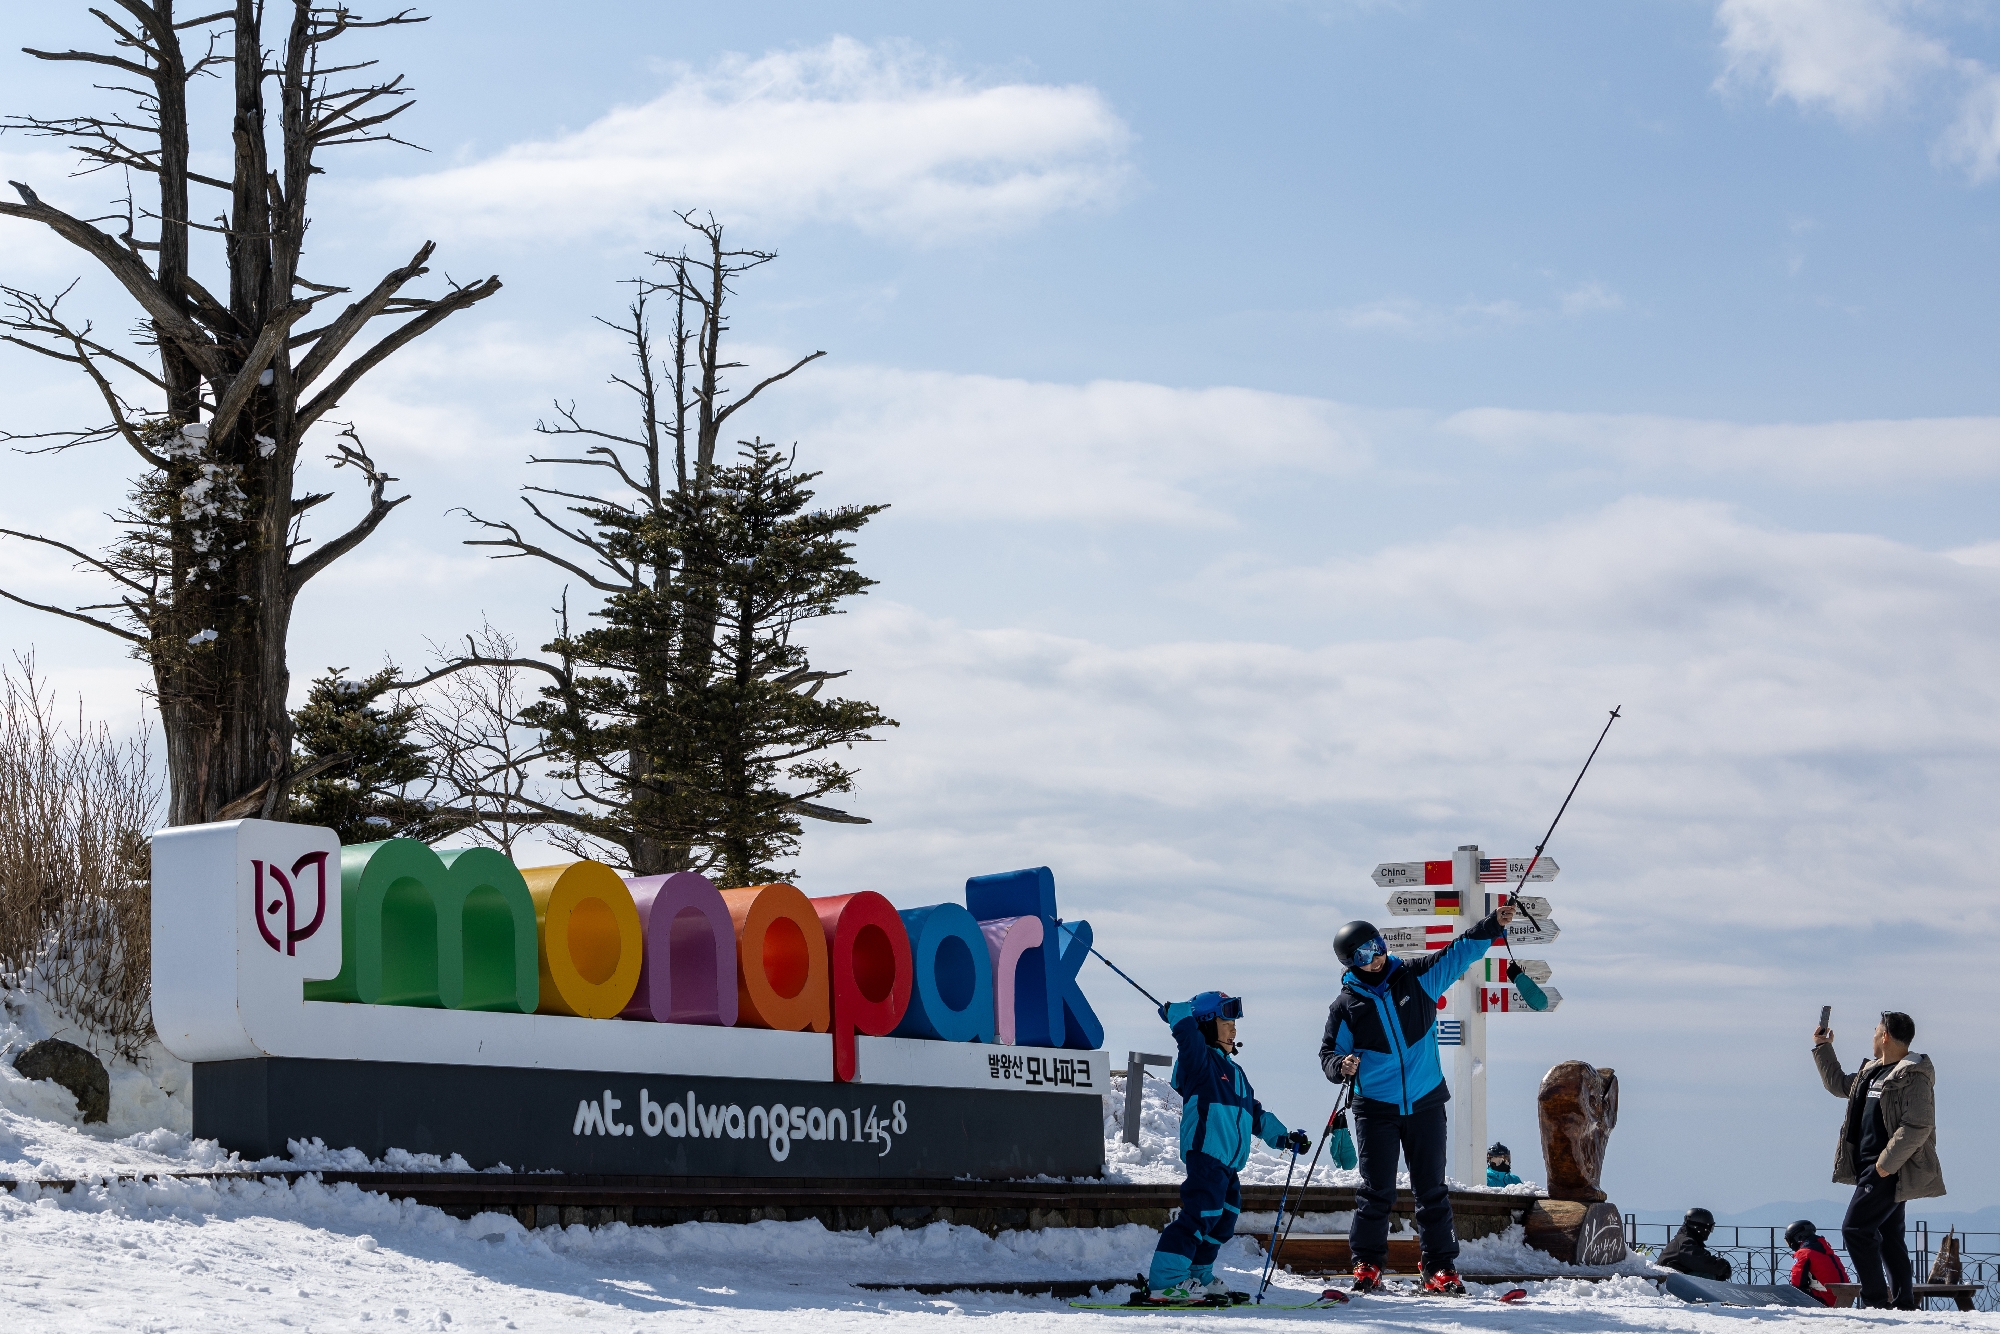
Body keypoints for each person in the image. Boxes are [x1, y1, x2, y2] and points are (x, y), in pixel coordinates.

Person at [1320, 901, 1518, 1296]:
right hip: (1376, 1109)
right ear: (1350, 962)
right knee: (1376, 1191)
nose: (1375, 958)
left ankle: (1439, 1268)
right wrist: (1341, 1065)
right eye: (1363, 955)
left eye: (1377, 946)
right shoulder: (1346, 1007)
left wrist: (1492, 925)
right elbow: (1328, 1054)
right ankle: (1367, 1265)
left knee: (1432, 1190)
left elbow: (1459, 952)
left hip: (1425, 1102)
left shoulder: (1416, 978)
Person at [1142, 990, 1310, 1304]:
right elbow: (1188, 1040)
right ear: (1206, 1025)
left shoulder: (1236, 1074)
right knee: (1199, 1215)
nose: (1233, 1029)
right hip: (1207, 1152)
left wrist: (1283, 1137)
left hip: (1229, 1163)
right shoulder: (1199, 1062)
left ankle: (1198, 1274)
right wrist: (1181, 1016)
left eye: (1234, 1023)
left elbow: (1254, 1113)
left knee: (1223, 1220)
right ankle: (1166, 1281)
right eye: (1225, 1022)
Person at [1812, 1010, 1945, 1311]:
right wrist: (1823, 1047)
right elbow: (1838, 1084)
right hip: (1870, 1167)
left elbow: (1918, 1126)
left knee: (1855, 1230)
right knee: (1889, 1235)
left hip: (1887, 1169)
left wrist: (1884, 1166)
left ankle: (1875, 1301)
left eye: (1875, 1031)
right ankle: (1904, 1303)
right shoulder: (1872, 1072)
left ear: (1885, 1036)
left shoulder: (1913, 1076)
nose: (1871, 1036)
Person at [1785, 1219, 1850, 1306]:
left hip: (1826, 1299)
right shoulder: (1827, 1252)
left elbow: (1796, 1283)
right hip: (1844, 1298)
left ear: (1797, 1238)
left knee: (1788, 1293)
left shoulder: (1804, 1253)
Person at [1658, 1207, 1733, 1281]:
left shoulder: (1684, 1240)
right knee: (1707, 1276)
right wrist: (1723, 1266)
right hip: (1670, 1282)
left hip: (1672, 1279)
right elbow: (1702, 1263)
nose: (1710, 1232)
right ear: (1701, 1228)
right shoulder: (1685, 1243)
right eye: (1710, 1228)